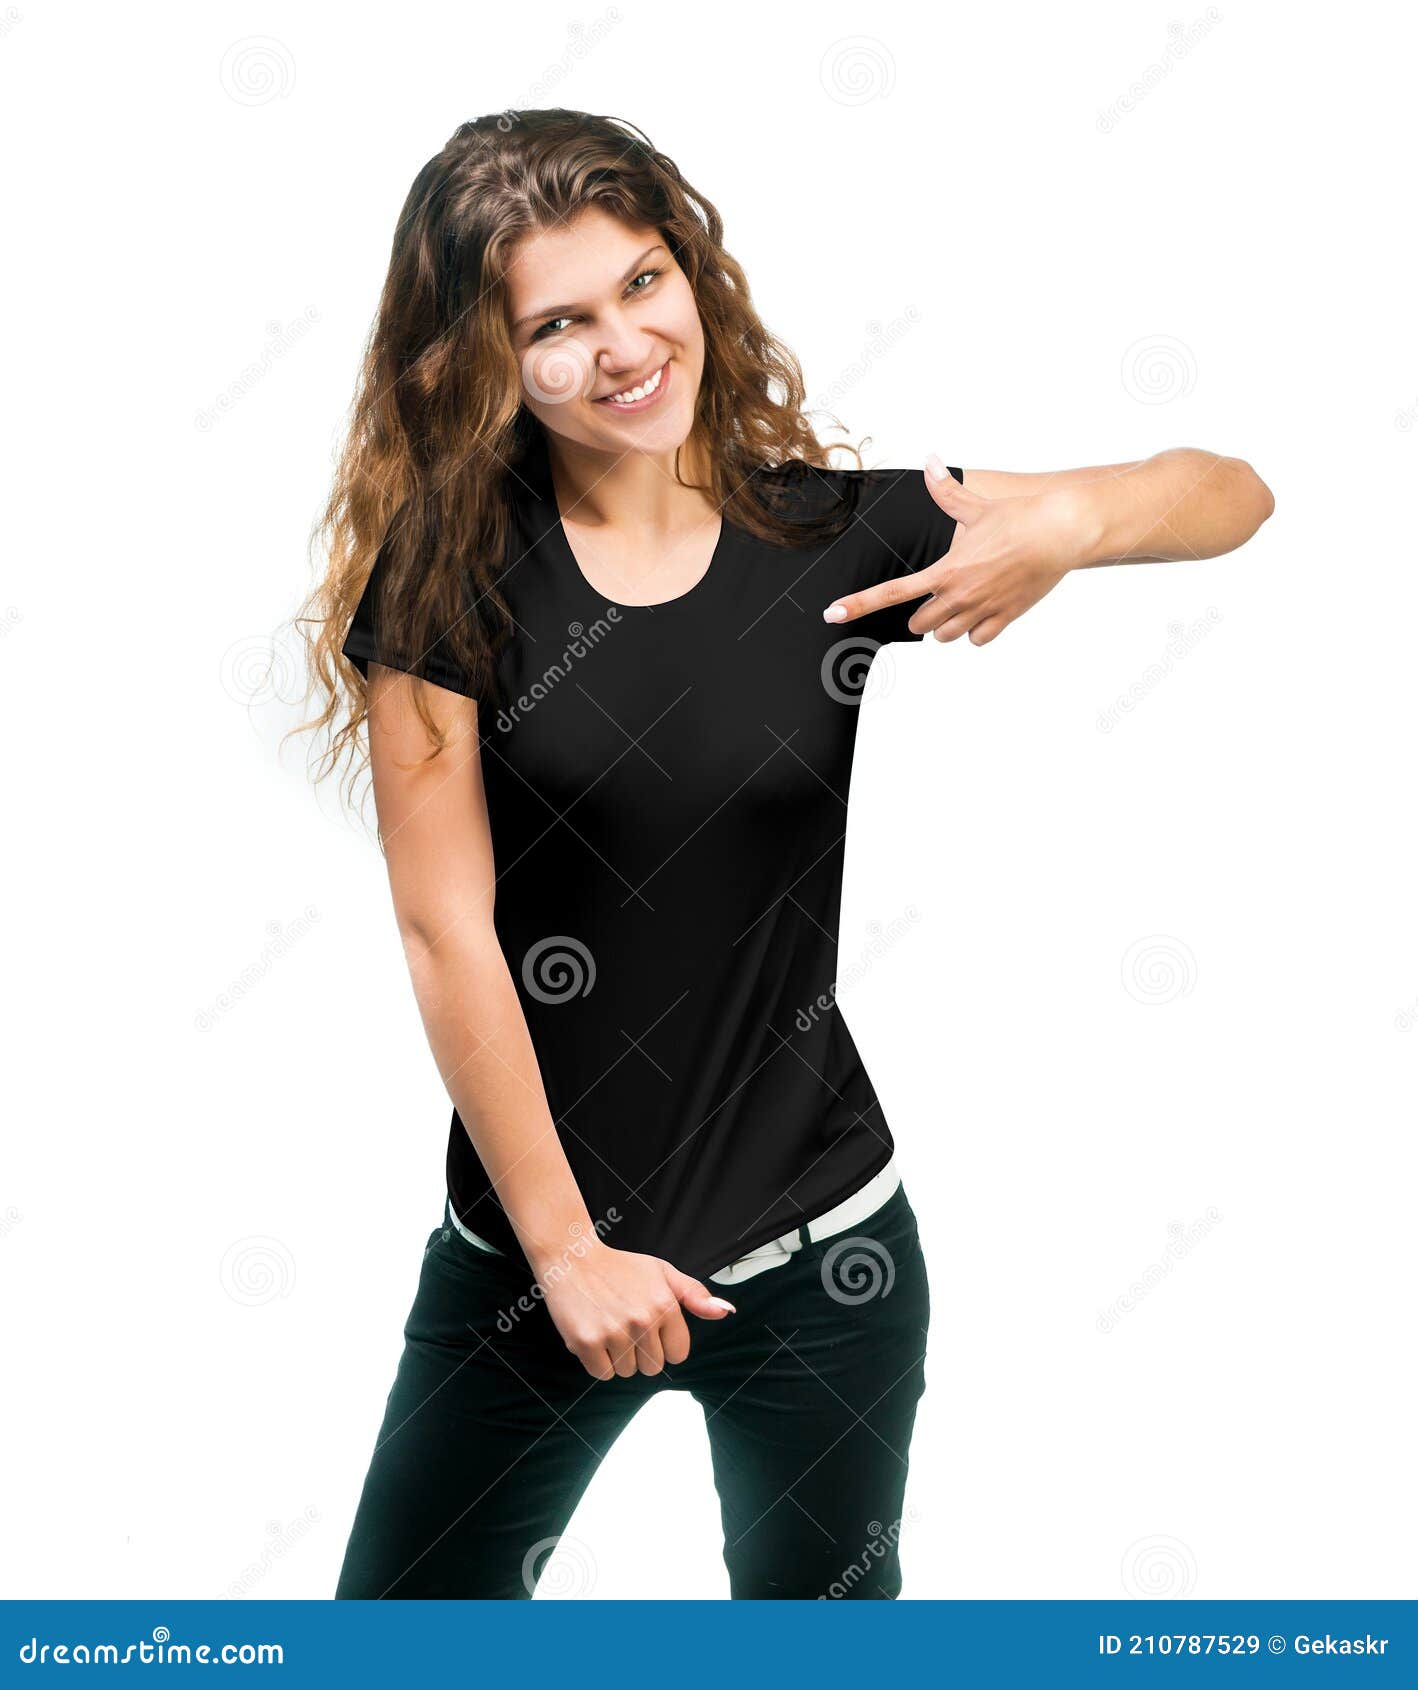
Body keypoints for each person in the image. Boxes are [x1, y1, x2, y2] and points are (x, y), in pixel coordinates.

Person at [296, 108, 1274, 1600]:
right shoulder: (448, 585)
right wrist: (563, 1256)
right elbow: (448, 934)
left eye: (640, 280)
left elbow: (1227, 493)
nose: (622, 344)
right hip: (534, 1276)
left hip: (829, 1262)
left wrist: (1068, 519)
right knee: (395, 1638)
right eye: (554, 321)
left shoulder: (822, 539)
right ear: (485, 361)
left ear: (691, 272)